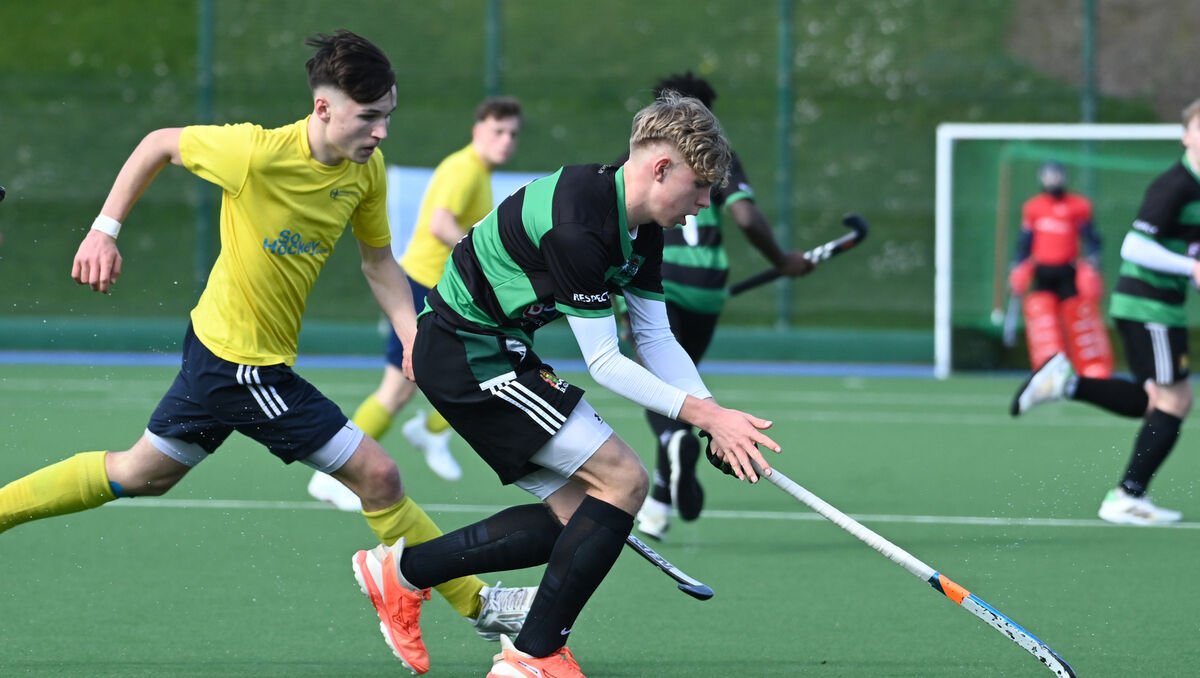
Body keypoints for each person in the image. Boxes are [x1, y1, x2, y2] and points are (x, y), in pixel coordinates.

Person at [0, 30, 532, 673]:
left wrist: (414, 335)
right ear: (323, 108)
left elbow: (378, 263)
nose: (382, 131)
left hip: (221, 356)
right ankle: (481, 606)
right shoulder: (252, 152)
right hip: (241, 366)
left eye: (389, 115)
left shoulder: (366, 169)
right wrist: (104, 230)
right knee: (379, 475)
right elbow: (158, 144)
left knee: (142, 473)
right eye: (369, 117)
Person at [349, 91, 783, 677]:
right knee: (626, 480)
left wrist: (711, 415)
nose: (704, 204)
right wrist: (708, 419)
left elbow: (655, 340)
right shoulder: (581, 222)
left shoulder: (643, 229)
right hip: (469, 355)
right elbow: (605, 361)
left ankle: (401, 574)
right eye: (700, 187)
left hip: (496, 351)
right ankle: (534, 656)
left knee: (581, 517)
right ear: (661, 169)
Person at [619, 72, 814, 541]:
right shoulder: (720, 157)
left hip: (659, 280)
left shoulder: (644, 158)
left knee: (659, 385)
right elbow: (745, 217)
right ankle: (661, 504)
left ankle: (672, 441)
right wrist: (782, 260)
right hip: (708, 286)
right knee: (681, 381)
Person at [307, 96, 523, 510]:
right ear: (478, 130)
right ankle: (333, 473)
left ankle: (429, 431)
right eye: (498, 131)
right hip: (423, 291)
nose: (506, 141)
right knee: (404, 388)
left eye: (513, 133)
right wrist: (488, 258)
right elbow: (441, 225)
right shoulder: (464, 169)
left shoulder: (476, 171)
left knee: (451, 379)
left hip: (437, 291)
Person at [1011, 97, 1200, 526]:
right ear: (1186, 136)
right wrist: (1191, 267)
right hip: (1147, 303)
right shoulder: (1175, 186)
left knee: (1156, 401)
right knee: (1175, 399)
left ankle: (1069, 385)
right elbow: (1133, 246)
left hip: (1158, 303)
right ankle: (1126, 495)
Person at [1008, 161, 1113, 377]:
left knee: (1076, 317)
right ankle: (1049, 368)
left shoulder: (1079, 206)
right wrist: (1018, 265)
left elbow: (1092, 238)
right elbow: (1025, 241)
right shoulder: (1033, 207)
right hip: (1043, 271)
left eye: (1057, 176)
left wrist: (1093, 261)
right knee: (1044, 319)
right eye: (1049, 176)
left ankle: (1087, 366)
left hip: (1068, 270)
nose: (1053, 180)